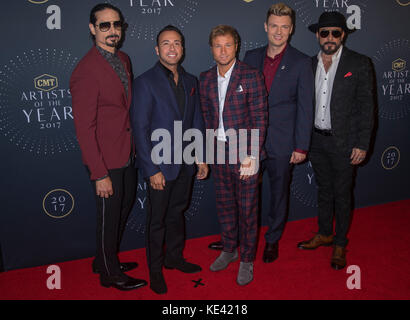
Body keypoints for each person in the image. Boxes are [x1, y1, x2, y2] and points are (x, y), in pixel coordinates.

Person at [70, 3, 147, 290]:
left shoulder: (123, 59)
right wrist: (99, 172)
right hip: (105, 160)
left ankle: (104, 259)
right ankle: (109, 273)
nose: (113, 31)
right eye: (105, 25)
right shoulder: (86, 70)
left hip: (126, 152)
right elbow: (84, 128)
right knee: (109, 216)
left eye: (117, 25)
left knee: (123, 208)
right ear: (92, 29)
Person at [131, 25, 209, 294]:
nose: (172, 48)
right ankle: (155, 270)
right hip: (160, 166)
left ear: (183, 49)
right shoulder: (144, 82)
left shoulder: (191, 82)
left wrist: (200, 157)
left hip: (186, 163)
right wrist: (151, 168)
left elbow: (197, 120)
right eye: (166, 43)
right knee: (157, 220)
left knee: (177, 213)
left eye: (177, 43)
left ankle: (174, 258)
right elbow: (139, 130)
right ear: (157, 49)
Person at [297, 11, 375, 270]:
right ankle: (324, 233)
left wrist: (362, 143)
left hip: (344, 143)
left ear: (343, 35)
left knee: (342, 194)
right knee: (324, 191)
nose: (329, 38)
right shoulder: (308, 64)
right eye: (324, 33)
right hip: (316, 141)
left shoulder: (359, 63)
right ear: (318, 36)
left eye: (336, 33)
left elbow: (367, 107)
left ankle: (340, 242)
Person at [243, 3, 314, 263]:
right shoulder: (250, 57)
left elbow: (307, 107)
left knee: (278, 194)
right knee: (245, 193)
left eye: (284, 27)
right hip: (250, 141)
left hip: (283, 142)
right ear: (266, 26)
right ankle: (243, 236)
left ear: (291, 29)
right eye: (274, 25)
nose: (278, 31)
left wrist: (301, 145)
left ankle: (272, 240)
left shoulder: (302, 62)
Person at [199, 25, 268, 286]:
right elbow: (206, 119)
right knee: (225, 206)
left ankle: (247, 258)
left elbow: (260, 118)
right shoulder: (205, 78)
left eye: (228, 45)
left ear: (236, 46)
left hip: (244, 153)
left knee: (248, 209)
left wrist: (253, 155)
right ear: (211, 48)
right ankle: (229, 249)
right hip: (218, 152)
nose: (223, 50)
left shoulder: (251, 76)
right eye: (218, 45)